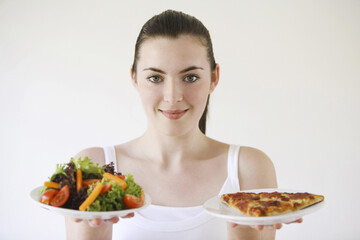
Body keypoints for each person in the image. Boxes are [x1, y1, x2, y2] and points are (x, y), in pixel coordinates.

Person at [65, 10, 301, 240]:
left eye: (190, 77)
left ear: (214, 78)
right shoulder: (93, 169)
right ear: (134, 78)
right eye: (155, 78)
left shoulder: (248, 168)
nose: (172, 96)